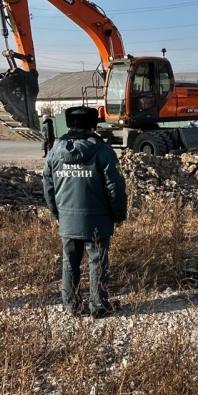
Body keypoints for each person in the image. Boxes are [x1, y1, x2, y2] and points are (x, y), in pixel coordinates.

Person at [43, 106, 127, 318]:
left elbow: (48, 186)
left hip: (67, 220)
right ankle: (98, 306)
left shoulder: (54, 151)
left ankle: (72, 306)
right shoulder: (103, 151)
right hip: (98, 220)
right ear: (94, 125)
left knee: (69, 262)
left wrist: (56, 214)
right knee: (97, 262)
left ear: (69, 124)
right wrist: (119, 215)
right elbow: (114, 187)